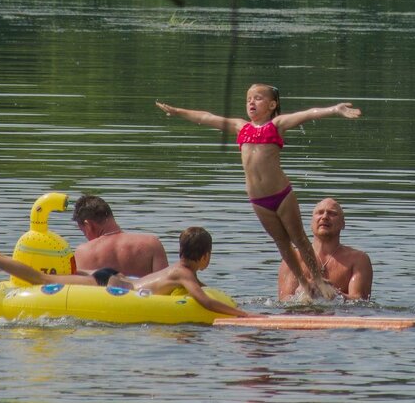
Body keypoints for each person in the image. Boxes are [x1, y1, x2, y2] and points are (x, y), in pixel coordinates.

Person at [156, 84, 361, 300]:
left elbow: (308, 114)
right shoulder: (240, 127)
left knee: (299, 238)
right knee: (282, 243)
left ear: (272, 105)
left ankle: (319, 280)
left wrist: (335, 109)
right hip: (259, 200)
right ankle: (304, 282)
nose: (251, 102)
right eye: (248, 99)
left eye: (258, 98)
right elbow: (206, 117)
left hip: (281, 194)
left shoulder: (276, 125)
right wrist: (178, 112)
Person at [0, 226, 257, 318]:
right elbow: (204, 302)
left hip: (109, 276)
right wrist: (246, 315)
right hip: (110, 288)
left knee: (45, 278)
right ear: (205, 256)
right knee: (44, 279)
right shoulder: (185, 276)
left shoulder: (177, 270)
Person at [276, 198, 373, 300]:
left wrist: (334, 293)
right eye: (320, 213)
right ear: (311, 223)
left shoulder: (358, 260)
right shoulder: (293, 259)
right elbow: (284, 301)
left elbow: (360, 302)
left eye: (332, 214)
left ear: (343, 224)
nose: (325, 217)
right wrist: (301, 293)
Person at [70, 194, 168, 277]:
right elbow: (166, 286)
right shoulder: (151, 244)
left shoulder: (83, 252)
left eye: (83, 232)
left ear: (88, 225)